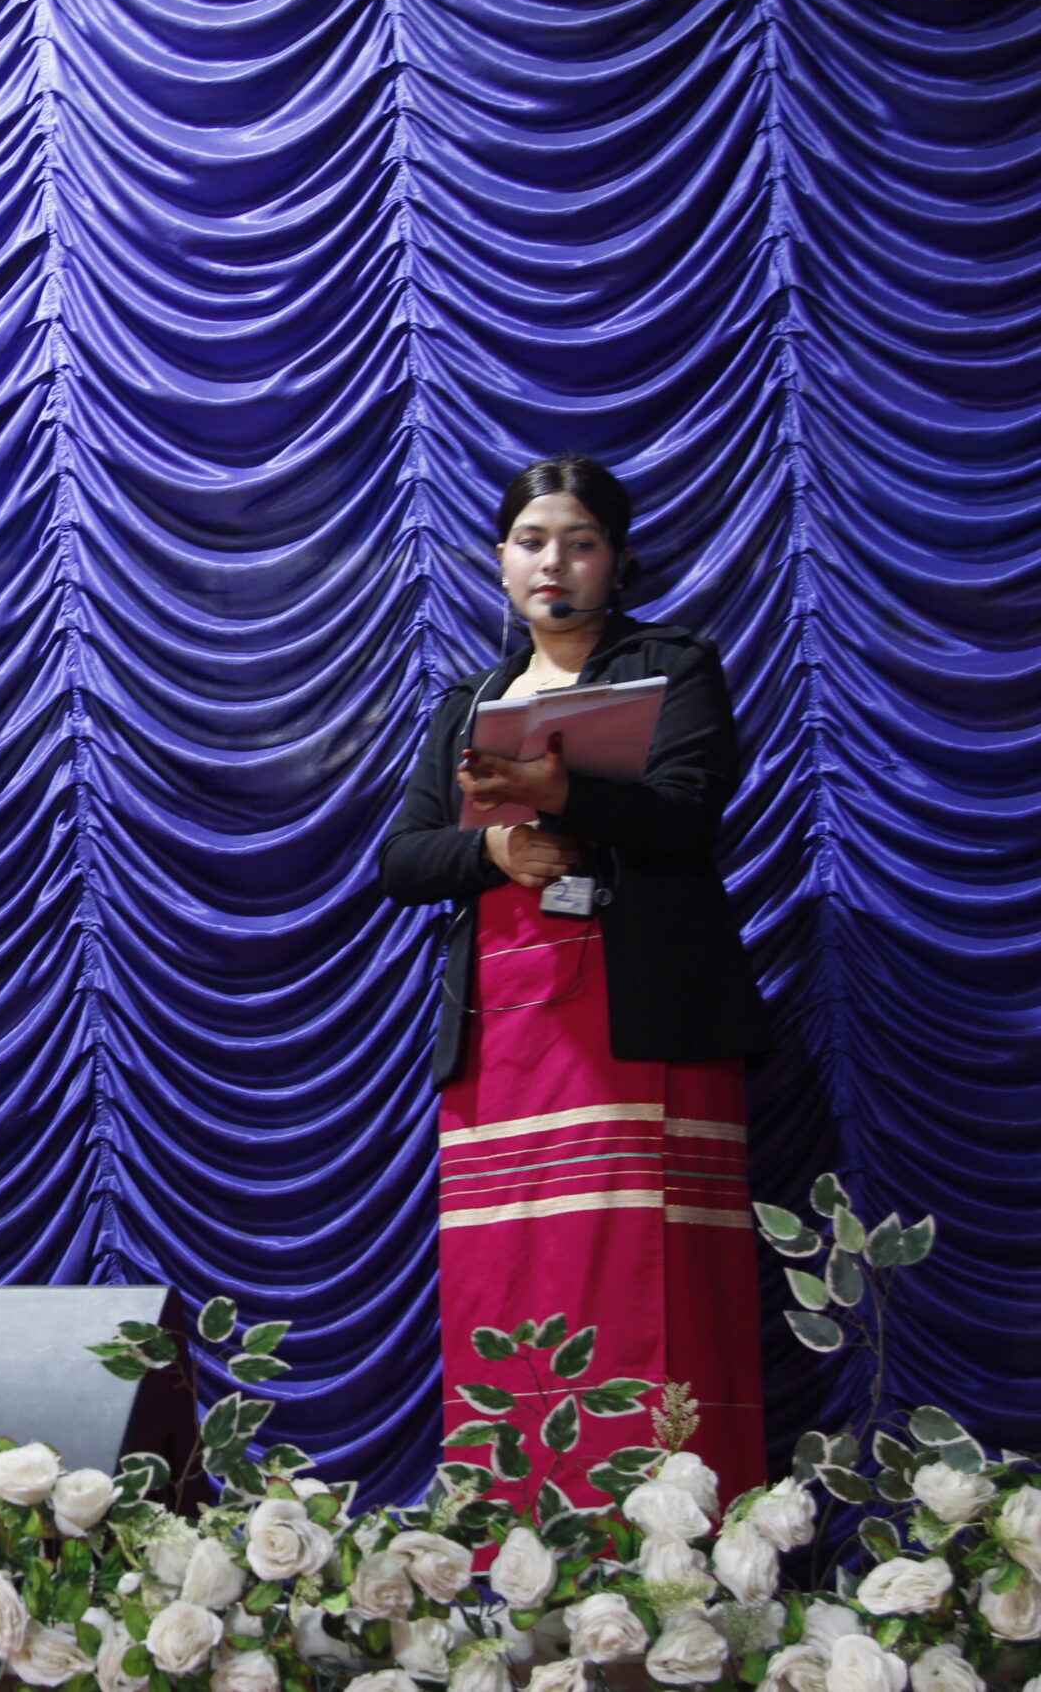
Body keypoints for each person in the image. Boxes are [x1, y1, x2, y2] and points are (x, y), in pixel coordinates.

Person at [379, 456, 769, 1506]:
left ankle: (679, 1539)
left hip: (642, 1018)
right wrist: (493, 851)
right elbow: (400, 861)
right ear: (501, 561)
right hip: (501, 1035)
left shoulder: (673, 664)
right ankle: (516, 1535)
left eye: (580, 542)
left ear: (618, 560)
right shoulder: (468, 701)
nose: (554, 563)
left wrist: (565, 794)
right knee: (516, 1275)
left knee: (653, 1277)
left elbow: (688, 816)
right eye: (532, 542)